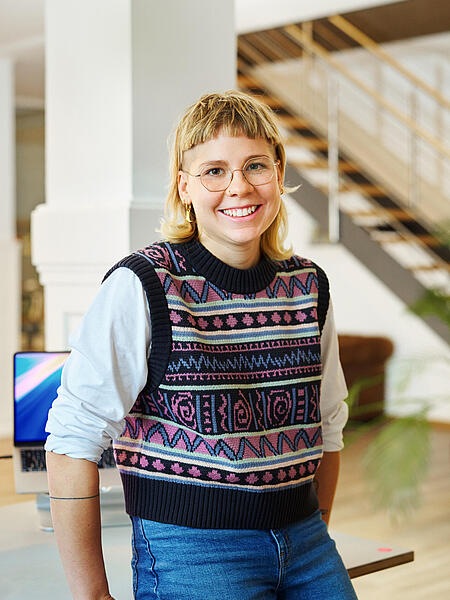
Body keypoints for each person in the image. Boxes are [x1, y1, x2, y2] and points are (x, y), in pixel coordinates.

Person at [45, 90, 358, 600]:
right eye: (214, 170)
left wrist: (314, 528)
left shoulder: (309, 285)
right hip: (193, 551)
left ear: (278, 173)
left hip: (307, 543)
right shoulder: (143, 284)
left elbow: (328, 425)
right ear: (184, 185)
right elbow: (72, 439)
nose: (238, 186)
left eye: (255, 165)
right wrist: (92, 596)